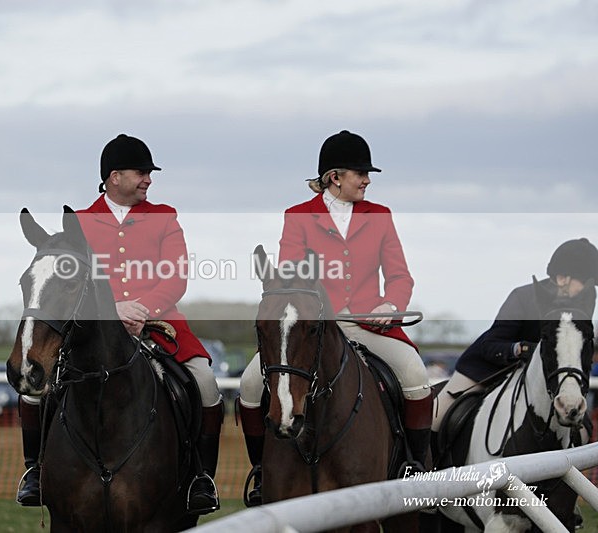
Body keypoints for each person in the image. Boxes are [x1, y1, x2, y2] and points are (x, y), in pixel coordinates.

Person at [16, 134, 224, 515]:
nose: (148, 179)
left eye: (149, 173)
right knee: (34, 392)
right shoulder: (78, 222)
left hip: (162, 326)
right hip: (96, 331)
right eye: (142, 172)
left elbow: (176, 277)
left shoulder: (165, 217)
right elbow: (71, 281)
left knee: (205, 384)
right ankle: (35, 471)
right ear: (114, 176)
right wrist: (113, 309)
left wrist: (142, 307)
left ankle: (200, 478)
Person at [237, 130, 431, 506]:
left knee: (415, 375)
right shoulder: (298, 217)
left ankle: (413, 466)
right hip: (312, 328)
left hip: (367, 324)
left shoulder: (380, 215)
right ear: (334, 177)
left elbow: (400, 276)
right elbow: (292, 274)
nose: (367, 180)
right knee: (248, 385)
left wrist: (389, 307)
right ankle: (262, 471)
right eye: (360, 173)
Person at [431, 238, 598, 436]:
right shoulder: (523, 297)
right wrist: (521, 349)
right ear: (563, 278)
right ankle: (422, 465)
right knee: (436, 418)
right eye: (585, 282)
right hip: (488, 371)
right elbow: (490, 344)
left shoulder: (582, 303)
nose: (590, 289)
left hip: (539, 378)